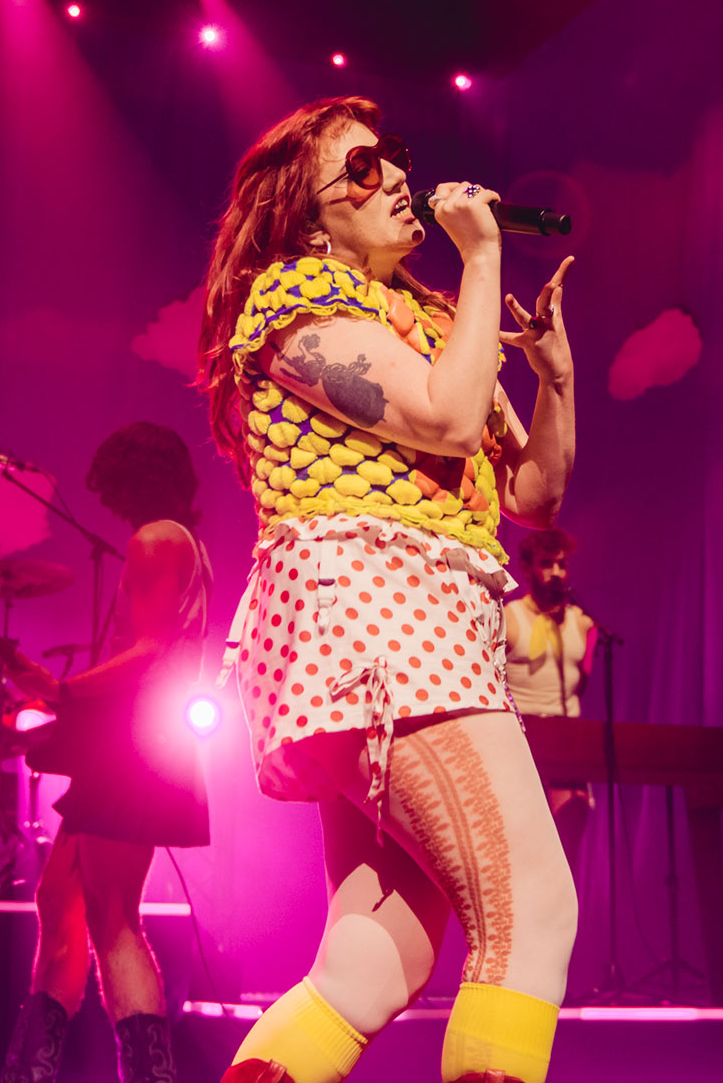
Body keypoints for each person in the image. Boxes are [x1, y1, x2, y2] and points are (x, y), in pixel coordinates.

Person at [197, 96, 578, 1083]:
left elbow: (531, 497)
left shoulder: (433, 322)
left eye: (393, 156)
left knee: (376, 962)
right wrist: (483, 254)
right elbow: (446, 421)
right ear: (306, 213)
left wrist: (554, 379)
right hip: (371, 618)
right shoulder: (295, 299)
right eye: (362, 168)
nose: (396, 177)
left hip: (425, 628)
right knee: (533, 910)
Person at [0, 423, 214, 1083]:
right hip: (135, 747)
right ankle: (31, 1071)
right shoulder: (184, 543)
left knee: (115, 918)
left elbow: (149, 652)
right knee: (59, 902)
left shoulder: (156, 540)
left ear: (130, 480)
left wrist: (61, 689)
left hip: (134, 749)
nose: (107, 502)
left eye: (111, 486)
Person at [502, 529, 597, 870]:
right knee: (522, 841)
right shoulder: (509, 617)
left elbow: (582, 683)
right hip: (521, 740)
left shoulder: (583, 623)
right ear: (527, 569)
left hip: (568, 740)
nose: (556, 572)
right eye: (546, 564)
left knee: (569, 834)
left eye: (562, 564)